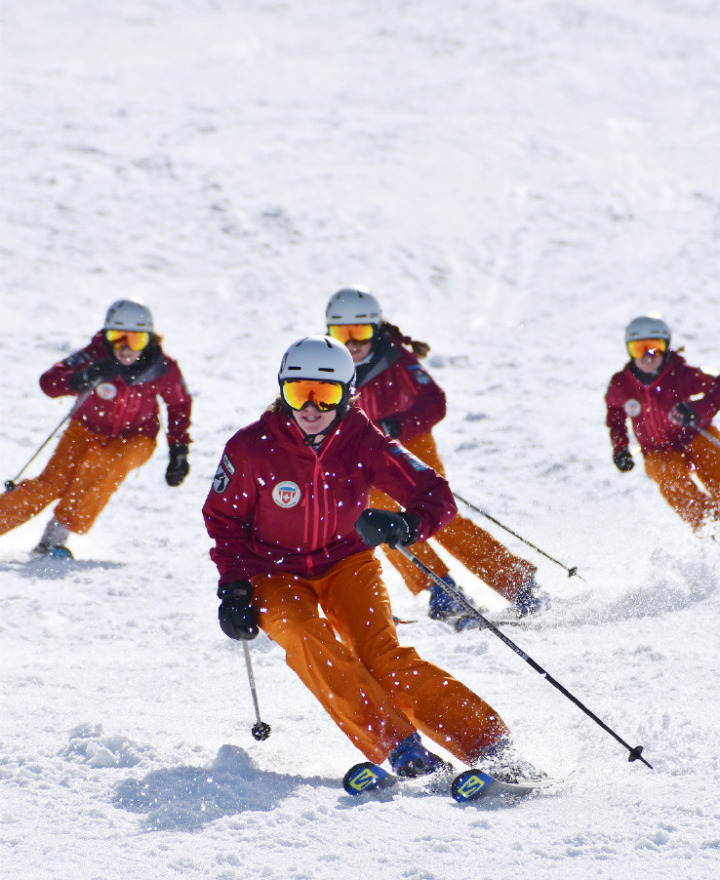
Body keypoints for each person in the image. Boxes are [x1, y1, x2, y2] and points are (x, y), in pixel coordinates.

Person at [202, 335, 542, 781]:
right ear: (282, 391)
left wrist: (408, 525)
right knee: (306, 637)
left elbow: (435, 494)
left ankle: (491, 747)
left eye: (325, 395)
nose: (310, 407)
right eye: (298, 392)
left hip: (347, 562)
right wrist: (234, 587)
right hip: (274, 572)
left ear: (347, 394)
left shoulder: (362, 440)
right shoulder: (252, 447)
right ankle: (403, 749)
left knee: (382, 656)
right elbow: (223, 518)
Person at [324, 287, 547, 626]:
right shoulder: (328, 366)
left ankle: (516, 582)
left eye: (361, 331)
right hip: (364, 454)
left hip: (410, 444)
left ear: (377, 328)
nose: (352, 343)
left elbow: (434, 402)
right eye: (343, 333)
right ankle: (439, 589)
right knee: (379, 519)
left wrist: (397, 425)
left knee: (437, 515)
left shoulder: (395, 359)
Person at [0, 298, 192, 558]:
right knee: (51, 484)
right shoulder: (94, 356)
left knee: (108, 465)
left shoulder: (163, 368)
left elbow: (179, 403)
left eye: (135, 340)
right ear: (107, 336)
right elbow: (49, 382)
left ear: (149, 339)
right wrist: (84, 376)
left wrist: (179, 450)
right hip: (85, 429)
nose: (126, 348)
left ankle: (54, 539)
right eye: (118, 338)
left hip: (136, 437)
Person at [606, 314, 720, 532]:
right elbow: (615, 416)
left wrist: (698, 410)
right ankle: (709, 525)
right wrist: (620, 448)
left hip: (695, 436)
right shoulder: (622, 385)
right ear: (629, 351)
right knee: (665, 473)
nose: (647, 357)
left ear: (666, 348)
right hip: (658, 450)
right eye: (639, 349)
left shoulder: (680, 375)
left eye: (654, 349)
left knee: (714, 463)